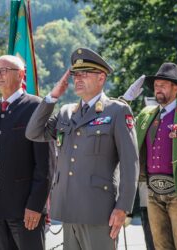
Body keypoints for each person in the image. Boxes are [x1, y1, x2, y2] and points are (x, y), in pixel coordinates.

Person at [25, 47, 139, 250]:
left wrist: (123, 208)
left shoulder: (117, 111)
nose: (78, 78)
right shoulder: (67, 112)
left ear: (101, 78)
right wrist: (52, 97)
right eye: (76, 74)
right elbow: (33, 132)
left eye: (85, 74)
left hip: (99, 211)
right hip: (69, 209)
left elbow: (131, 164)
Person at [123, 62, 177, 250]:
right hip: (152, 191)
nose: (157, 88)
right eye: (156, 85)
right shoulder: (146, 115)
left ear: (176, 88)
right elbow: (121, 129)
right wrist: (124, 100)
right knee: (160, 246)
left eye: (163, 85)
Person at [0, 55, 51, 250]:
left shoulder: (36, 107)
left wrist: (36, 205)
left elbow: (45, 166)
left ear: (21, 75)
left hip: (25, 211)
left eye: (4, 70)